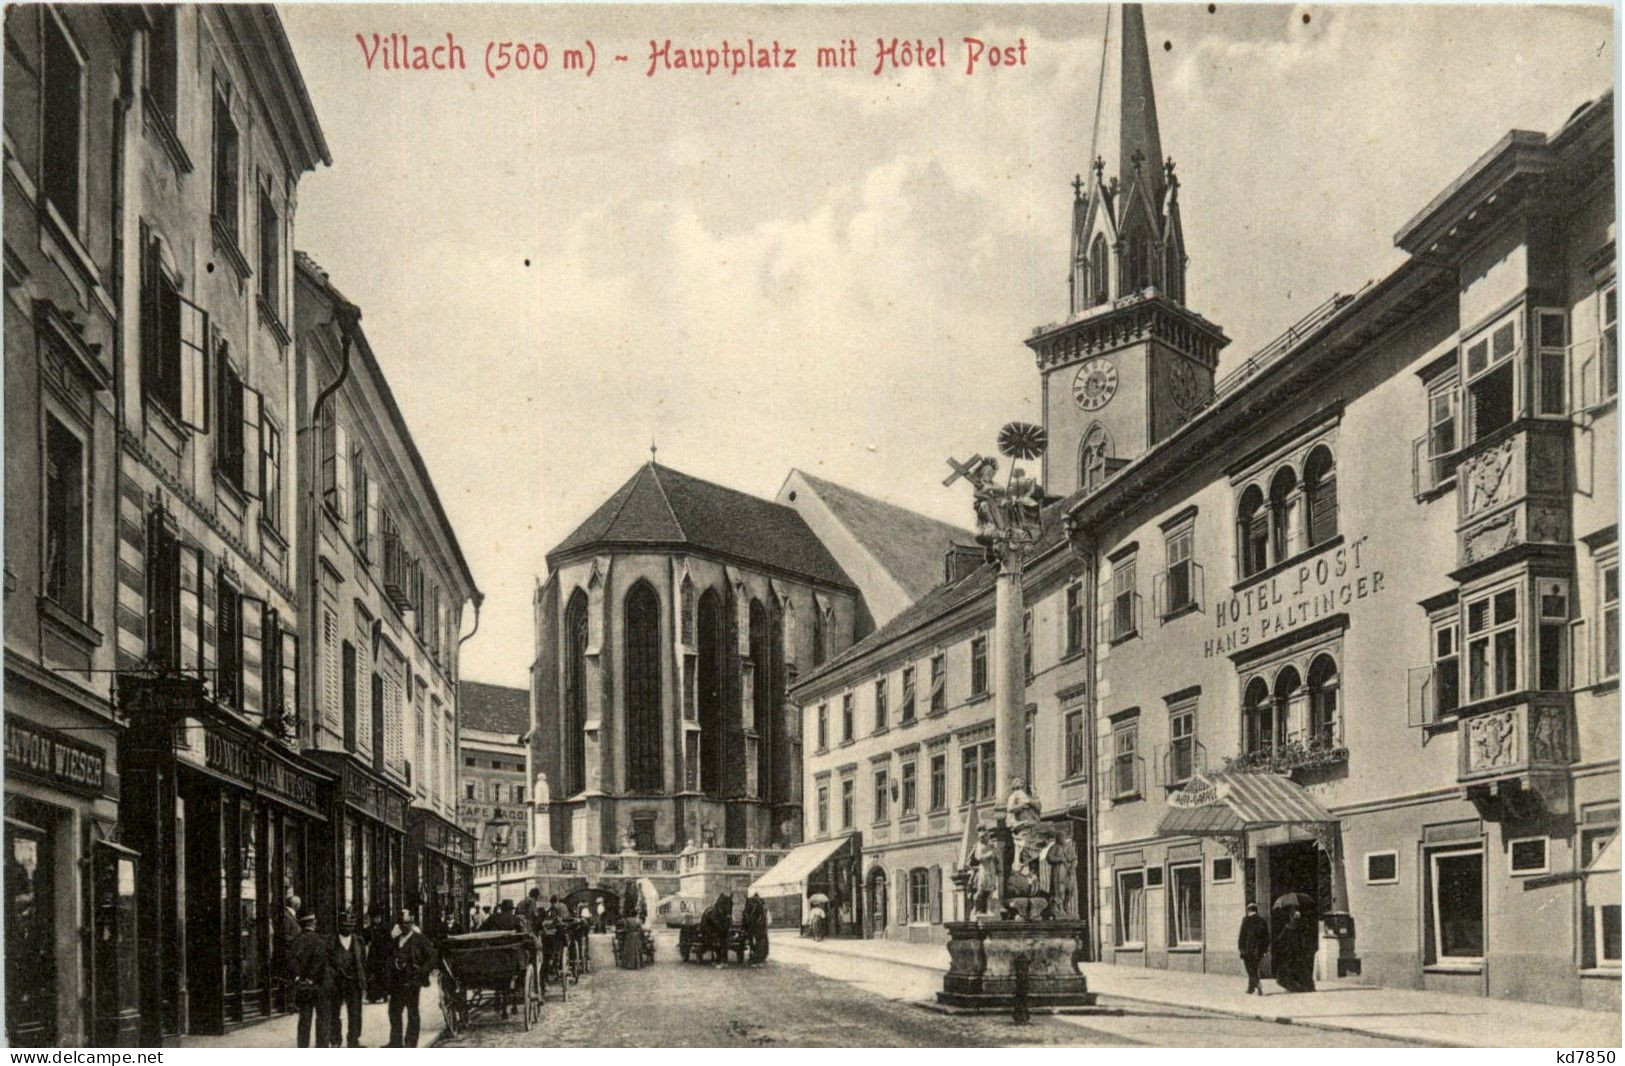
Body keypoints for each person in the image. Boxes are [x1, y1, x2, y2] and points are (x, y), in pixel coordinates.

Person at [382, 908, 437, 1047]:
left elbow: (432, 958)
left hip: (412, 981)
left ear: (412, 923)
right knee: (394, 1012)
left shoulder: (420, 940)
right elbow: (388, 959)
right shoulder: (395, 941)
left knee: (412, 1013)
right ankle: (395, 1042)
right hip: (397, 984)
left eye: (407, 923)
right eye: (401, 923)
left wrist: (421, 972)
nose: (404, 926)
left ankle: (411, 1043)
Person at [326, 911, 368, 1046]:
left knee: (355, 1012)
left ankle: (353, 1040)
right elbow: (326, 962)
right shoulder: (331, 941)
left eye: (349, 925)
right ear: (339, 926)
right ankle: (335, 1040)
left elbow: (363, 961)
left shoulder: (359, 941)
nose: (347, 928)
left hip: (354, 982)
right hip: (336, 982)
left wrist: (363, 978)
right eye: (344, 925)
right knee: (334, 1012)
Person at [289, 912, 329, 1047]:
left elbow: (292, 962)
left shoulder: (295, 940)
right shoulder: (320, 940)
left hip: (302, 985)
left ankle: (303, 1047)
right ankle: (321, 1047)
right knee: (322, 1018)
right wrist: (311, 978)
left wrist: (299, 978)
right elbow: (320, 962)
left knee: (304, 1019)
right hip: (319, 985)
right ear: (312, 923)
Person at [1237, 903, 1270, 996]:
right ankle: (1251, 988)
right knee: (1254, 968)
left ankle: (1257, 983)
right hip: (1258, 951)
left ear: (1249, 910)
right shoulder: (1262, 921)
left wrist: (1241, 948)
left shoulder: (1246, 920)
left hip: (1248, 950)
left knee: (1250, 969)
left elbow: (1242, 936)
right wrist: (1264, 950)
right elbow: (1266, 938)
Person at [742, 892, 769, 964]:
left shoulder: (761, 903)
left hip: (760, 926)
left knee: (761, 941)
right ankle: (753, 956)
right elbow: (746, 912)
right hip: (751, 925)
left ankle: (758, 957)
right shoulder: (750, 902)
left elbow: (765, 913)